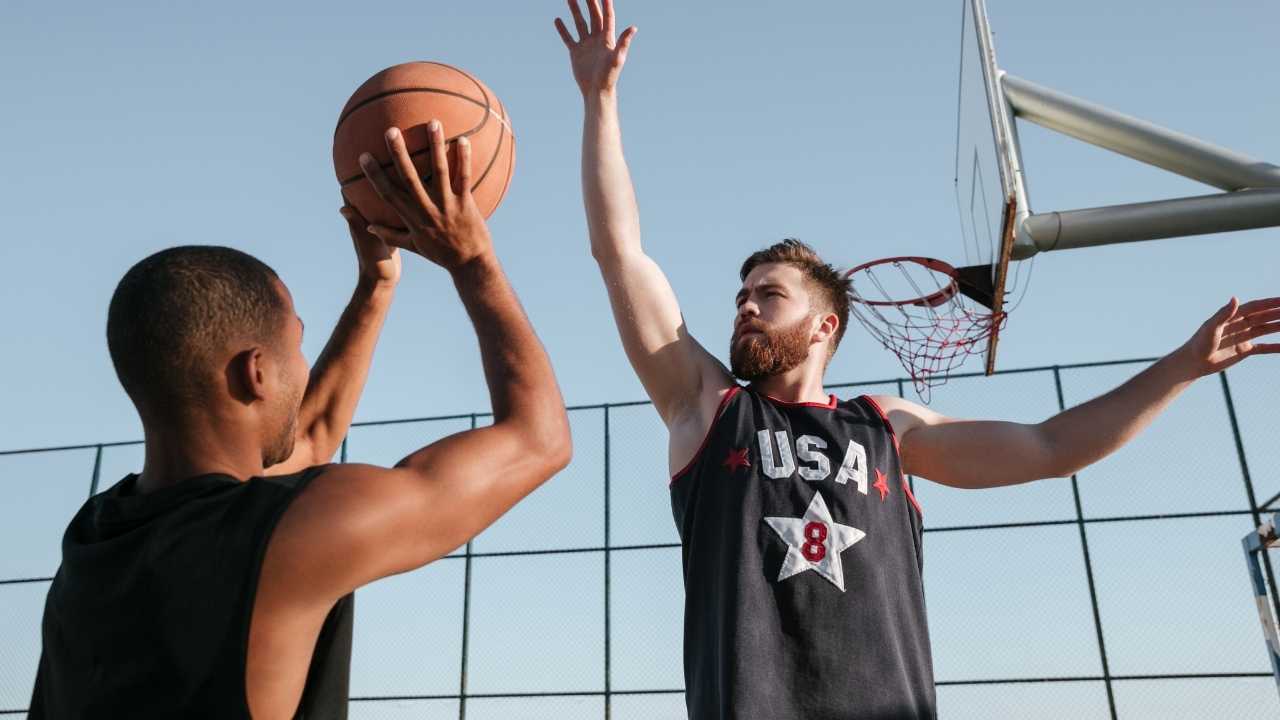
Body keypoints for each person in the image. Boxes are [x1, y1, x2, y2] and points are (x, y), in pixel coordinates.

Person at [553, 1, 1280, 717]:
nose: (745, 305)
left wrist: (1182, 365)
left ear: (824, 325)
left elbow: (1052, 446)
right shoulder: (710, 408)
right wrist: (599, 100)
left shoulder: (885, 429)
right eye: (741, 294)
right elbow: (620, 254)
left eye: (768, 295)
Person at [29, 123, 571, 720]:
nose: (303, 369)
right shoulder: (296, 531)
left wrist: (376, 286)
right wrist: (472, 257)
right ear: (256, 374)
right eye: (297, 346)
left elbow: (308, 439)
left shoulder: (92, 540)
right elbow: (537, 441)